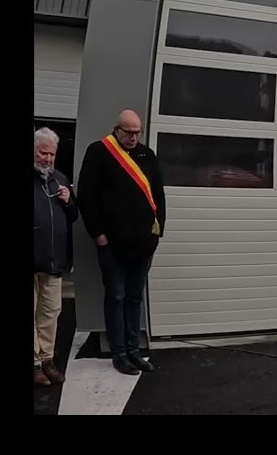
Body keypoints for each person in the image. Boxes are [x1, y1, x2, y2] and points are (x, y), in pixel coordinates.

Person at [77, 110, 167, 375]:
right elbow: (86, 195)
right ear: (117, 130)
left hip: (142, 245)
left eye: (137, 132)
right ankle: (119, 354)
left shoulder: (147, 156)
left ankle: (134, 350)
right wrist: (98, 234)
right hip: (112, 245)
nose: (133, 137)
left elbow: (159, 197)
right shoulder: (99, 152)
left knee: (134, 297)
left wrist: (157, 233)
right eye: (128, 132)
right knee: (115, 296)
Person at [33, 127, 77, 386]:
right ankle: (35, 364)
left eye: (51, 154)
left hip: (53, 260)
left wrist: (70, 201)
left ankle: (47, 358)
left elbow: (74, 215)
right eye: (42, 152)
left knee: (51, 311)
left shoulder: (60, 179)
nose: (47, 158)